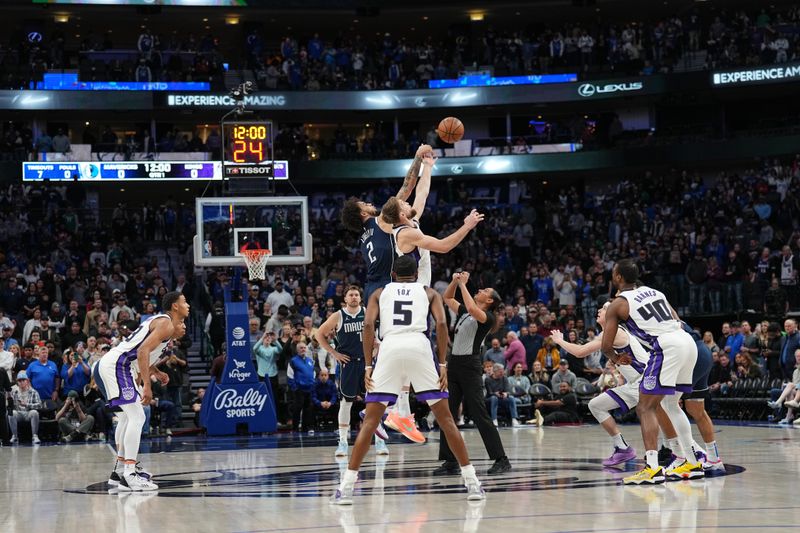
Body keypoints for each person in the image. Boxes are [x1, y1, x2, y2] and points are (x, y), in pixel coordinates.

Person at [330, 256, 484, 504]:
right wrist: (443, 363)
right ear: (415, 274)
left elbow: (368, 325)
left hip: (390, 346)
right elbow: (442, 323)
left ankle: (346, 488)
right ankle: (472, 483)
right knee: (446, 419)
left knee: (370, 422)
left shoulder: (380, 292)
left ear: (392, 273)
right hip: (419, 346)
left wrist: (369, 365)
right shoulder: (429, 291)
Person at [602, 258, 702, 485]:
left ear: (618, 277)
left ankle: (652, 468)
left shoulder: (618, 303)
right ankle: (692, 462)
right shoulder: (655, 292)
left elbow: (606, 347)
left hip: (666, 346)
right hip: (686, 341)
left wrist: (617, 359)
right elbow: (676, 319)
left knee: (646, 406)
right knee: (671, 405)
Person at [92, 291, 189, 491]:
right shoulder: (166, 323)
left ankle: (118, 472)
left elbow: (141, 355)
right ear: (175, 306)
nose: (188, 305)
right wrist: (147, 385)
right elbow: (142, 351)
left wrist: (157, 371)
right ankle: (130, 474)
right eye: (184, 302)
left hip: (112, 364)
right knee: (137, 417)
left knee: (127, 418)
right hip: (117, 365)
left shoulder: (163, 331)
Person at [550, 301, 649, 465]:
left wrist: (559, 341)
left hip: (645, 381)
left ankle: (683, 451)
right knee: (596, 405)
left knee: (665, 415)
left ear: (612, 314)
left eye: (603, 308)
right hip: (636, 382)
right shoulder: (608, 333)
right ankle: (622, 447)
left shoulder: (614, 332)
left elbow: (581, 352)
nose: (598, 310)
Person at [436, 272, 510, 475]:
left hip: (470, 366)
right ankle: (450, 460)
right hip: (454, 364)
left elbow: (470, 306)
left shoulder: (488, 317)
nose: (480, 290)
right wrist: (453, 281)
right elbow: (447, 298)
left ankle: (501, 459)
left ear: (489, 300)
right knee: (447, 413)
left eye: (484, 291)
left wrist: (462, 284)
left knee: (479, 413)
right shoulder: (465, 313)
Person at [315, 286, 391, 456]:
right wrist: (334, 353)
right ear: (345, 299)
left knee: (374, 404)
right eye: (351, 295)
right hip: (348, 364)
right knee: (345, 403)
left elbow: (377, 336)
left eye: (357, 294)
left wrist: (377, 345)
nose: (354, 297)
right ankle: (342, 442)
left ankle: (379, 441)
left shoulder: (369, 312)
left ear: (360, 298)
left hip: (367, 364)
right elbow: (319, 334)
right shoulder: (338, 316)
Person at [287, 342, 315, 433]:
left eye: (304, 347)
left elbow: (313, 373)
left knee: (308, 409)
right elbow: (290, 375)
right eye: (301, 348)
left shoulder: (310, 360)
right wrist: (295, 388)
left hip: (309, 389)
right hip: (299, 389)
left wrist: (312, 384)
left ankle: (305, 428)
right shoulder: (293, 361)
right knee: (297, 409)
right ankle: (294, 428)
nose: (303, 349)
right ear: (297, 350)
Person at [8, 371, 41, 445]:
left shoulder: (33, 392)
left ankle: (35, 436)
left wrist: (27, 404)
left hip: (28, 413)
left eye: (23, 380)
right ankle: (15, 436)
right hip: (18, 413)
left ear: (27, 381)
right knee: (11, 413)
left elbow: (39, 405)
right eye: (20, 380)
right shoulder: (14, 392)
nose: (22, 382)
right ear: (17, 382)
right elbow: (10, 405)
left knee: (34, 412)